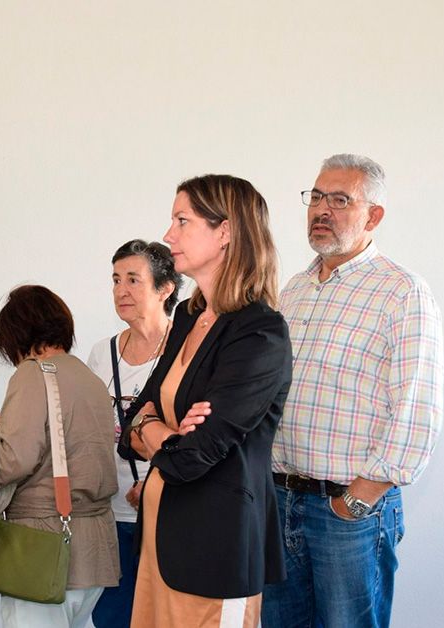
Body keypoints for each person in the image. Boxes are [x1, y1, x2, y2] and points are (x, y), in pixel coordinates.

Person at [262, 154, 444, 628]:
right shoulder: (294, 290)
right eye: (317, 197)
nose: (322, 209)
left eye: (341, 200)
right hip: (280, 503)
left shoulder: (401, 291)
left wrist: (358, 500)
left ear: (373, 215)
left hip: (346, 513)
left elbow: (416, 410)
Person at [120, 174, 292, 627]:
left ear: (226, 232)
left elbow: (192, 457)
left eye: (182, 221)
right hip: (160, 544)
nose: (168, 235)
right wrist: (159, 430)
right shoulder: (189, 316)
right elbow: (135, 415)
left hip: (214, 553)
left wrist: (155, 434)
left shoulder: (259, 332)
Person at [0, 285, 119, 628]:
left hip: (43, 547)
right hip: (94, 550)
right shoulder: (90, 379)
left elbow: (16, 460)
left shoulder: (33, 373)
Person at [85, 239, 180, 628]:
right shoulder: (100, 353)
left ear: (165, 288)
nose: (121, 290)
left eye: (133, 280)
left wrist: (158, 483)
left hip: (168, 516)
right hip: (111, 515)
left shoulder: (186, 350)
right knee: (111, 618)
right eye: (115, 279)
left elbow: (196, 437)